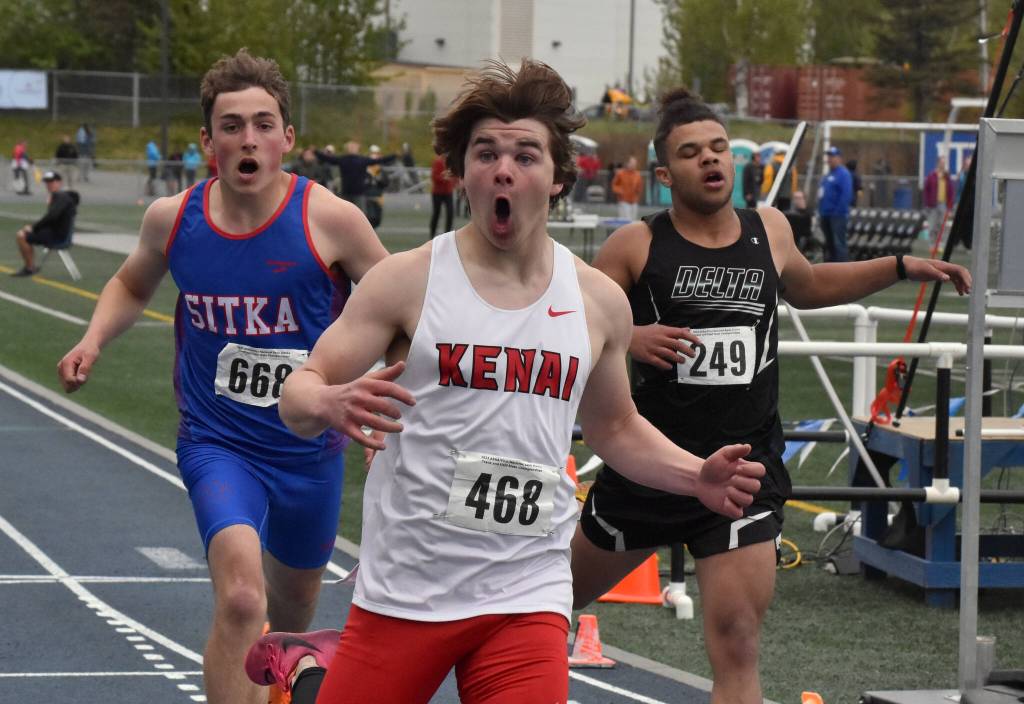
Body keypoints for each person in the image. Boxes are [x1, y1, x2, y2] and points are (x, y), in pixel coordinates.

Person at [244, 59, 765, 704]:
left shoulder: (597, 301)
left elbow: (616, 426)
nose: (504, 169)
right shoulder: (408, 280)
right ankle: (315, 672)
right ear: (461, 173)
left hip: (528, 591)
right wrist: (326, 399)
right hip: (411, 587)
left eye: (526, 154)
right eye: (485, 153)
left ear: (557, 179)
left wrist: (696, 477)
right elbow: (300, 392)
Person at [570, 87, 972, 704]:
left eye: (718, 148)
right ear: (663, 173)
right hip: (650, 469)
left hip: (741, 472)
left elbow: (807, 285)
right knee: (542, 607)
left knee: (736, 640)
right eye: (690, 153)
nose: (710, 161)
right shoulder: (635, 245)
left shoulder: (769, 229)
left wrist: (897, 265)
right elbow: (578, 322)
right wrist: (632, 335)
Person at [56, 49, 388, 704]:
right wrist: (93, 338)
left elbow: (399, 309)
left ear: (288, 139)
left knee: (290, 621)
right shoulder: (173, 218)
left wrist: (382, 406)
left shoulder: (332, 220)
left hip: (310, 452)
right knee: (240, 598)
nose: (248, 138)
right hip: (219, 444)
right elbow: (130, 281)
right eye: (231, 125)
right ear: (208, 142)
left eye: (263, 123)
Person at [12, 170, 78, 277]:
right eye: (47, 182)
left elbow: (52, 217)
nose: (49, 185)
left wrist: (33, 228)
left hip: (57, 236)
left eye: (52, 182)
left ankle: (29, 267)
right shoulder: (60, 197)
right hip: (55, 232)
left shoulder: (61, 197)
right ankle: (30, 266)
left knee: (21, 235)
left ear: (59, 182)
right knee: (24, 234)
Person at [315, 140, 396, 213]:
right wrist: (316, 152)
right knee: (345, 214)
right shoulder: (345, 159)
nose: (352, 148)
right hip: (347, 192)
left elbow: (378, 160)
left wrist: (393, 156)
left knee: (360, 214)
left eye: (354, 147)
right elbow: (328, 158)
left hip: (358, 193)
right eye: (351, 147)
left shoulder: (360, 160)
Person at [817, 145, 853, 262]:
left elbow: (846, 195)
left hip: (837, 215)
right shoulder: (828, 175)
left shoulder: (843, 174)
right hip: (825, 214)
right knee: (829, 244)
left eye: (832, 156)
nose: (830, 159)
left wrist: (837, 212)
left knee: (839, 244)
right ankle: (830, 270)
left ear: (839, 158)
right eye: (828, 156)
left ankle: (843, 271)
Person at [923, 155, 954, 241]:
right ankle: (932, 244)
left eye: (944, 163)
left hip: (943, 204)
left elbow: (951, 192)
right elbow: (926, 190)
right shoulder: (932, 176)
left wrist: (950, 207)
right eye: (941, 163)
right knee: (932, 225)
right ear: (938, 163)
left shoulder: (947, 177)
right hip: (933, 204)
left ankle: (941, 244)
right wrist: (927, 204)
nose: (943, 165)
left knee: (942, 226)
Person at [428, 152, 456, 238]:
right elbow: (434, 176)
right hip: (437, 192)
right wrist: (444, 178)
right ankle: (432, 234)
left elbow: (454, 175)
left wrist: (454, 183)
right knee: (436, 213)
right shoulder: (438, 162)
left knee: (450, 213)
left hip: (448, 192)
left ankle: (447, 235)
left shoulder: (452, 162)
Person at [363, 144, 389, 228]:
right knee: (370, 218)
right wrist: (369, 179)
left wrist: (378, 179)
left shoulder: (380, 169)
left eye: (376, 153)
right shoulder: (364, 168)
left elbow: (386, 183)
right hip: (368, 197)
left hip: (378, 197)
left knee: (377, 220)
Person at [611, 155, 643, 221]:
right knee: (625, 221)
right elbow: (614, 185)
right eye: (632, 163)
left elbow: (639, 187)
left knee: (633, 221)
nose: (633, 165)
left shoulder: (637, 175)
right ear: (627, 163)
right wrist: (620, 191)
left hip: (634, 202)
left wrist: (637, 195)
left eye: (635, 164)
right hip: (624, 201)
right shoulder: (620, 173)